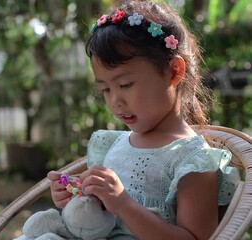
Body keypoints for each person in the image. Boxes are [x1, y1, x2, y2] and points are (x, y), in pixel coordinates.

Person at [47, 0, 240, 239]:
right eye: (106, 90)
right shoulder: (115, 145)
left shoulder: (192, 160)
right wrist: (79, 193)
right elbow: (101, 216)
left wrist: (123, 205)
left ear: (174, 72)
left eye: (125, 85)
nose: (115, 101)